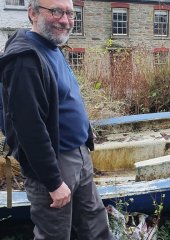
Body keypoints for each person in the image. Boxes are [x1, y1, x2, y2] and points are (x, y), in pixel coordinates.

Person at [0, 0, 114, 239]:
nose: (65, 20)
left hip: (78, 153)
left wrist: (85, 129)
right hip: (55, 163)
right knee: (55, 233)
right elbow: (28, 129)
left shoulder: (50, 46)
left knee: (94, 222)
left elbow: (63, 98)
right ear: (32, 13)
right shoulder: (24, 59)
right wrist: (53, 183)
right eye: (56, 11)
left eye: (70, 13)